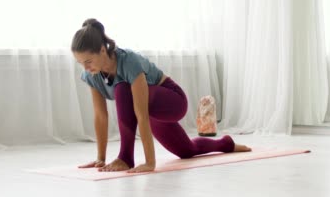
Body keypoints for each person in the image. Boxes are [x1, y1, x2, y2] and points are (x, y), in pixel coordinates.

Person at [71, 18, 251, 173]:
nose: (86, 68)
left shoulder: (128, 62)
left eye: (88, 61)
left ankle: (125, 157)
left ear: (102, 50)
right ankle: (226, 144)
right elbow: (100, 117)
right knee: (187, 150)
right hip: (151, 112)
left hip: (173, 100)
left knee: (122, 88)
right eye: (80, 63)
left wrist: (150, 162)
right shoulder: (91, 76)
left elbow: (140, 113)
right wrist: (100, 158)